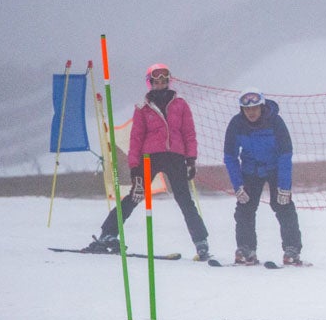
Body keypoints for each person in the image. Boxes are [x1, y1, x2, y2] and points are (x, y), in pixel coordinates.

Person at [85, 63, 210, 259]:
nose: (160, 84)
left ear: (169, 81)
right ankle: (108, 233)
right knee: (135, 196)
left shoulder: (181, 105)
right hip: (149, 158)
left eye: (164, 80)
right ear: (150, 83)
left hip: (175, 157)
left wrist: (191, 159)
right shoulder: (142, 108)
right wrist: (135, 168)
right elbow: (136, 139)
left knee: (184, 199)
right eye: (156, 81)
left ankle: (201, 242)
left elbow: (189, 133)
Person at [223, 89, 303, 266]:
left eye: (255, 108)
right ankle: (246, 249)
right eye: (247, 109)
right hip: (250, 171)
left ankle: (292, 250)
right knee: (245, 208)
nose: (251, 113)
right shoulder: (236, 124)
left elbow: (285, 154)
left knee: (283, 206)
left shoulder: (275, 122)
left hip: (275, 168)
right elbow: (230, 156)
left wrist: (284, 187)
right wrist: (238, 186)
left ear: (262, 107)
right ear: (242, 110)